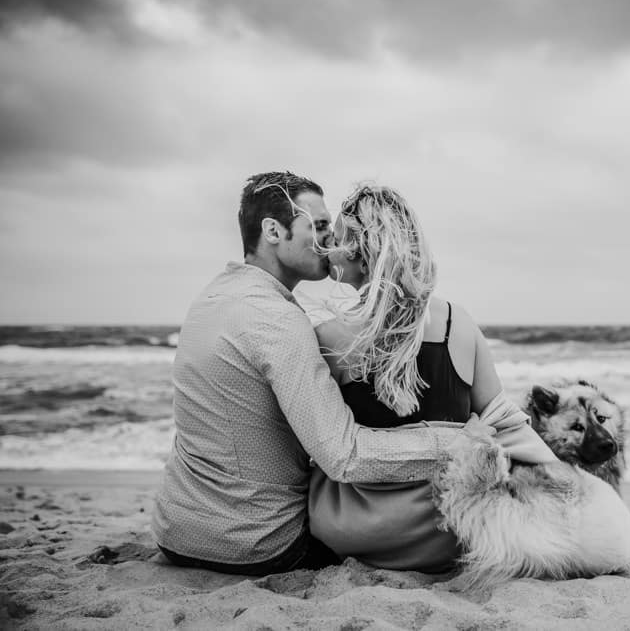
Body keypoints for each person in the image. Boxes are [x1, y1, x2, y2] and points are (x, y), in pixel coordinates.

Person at [151, 172, 492, 576]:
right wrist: (458, 442)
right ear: (273, 231)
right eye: (319, 225)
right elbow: (344, 456)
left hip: (175, 530)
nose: (329, 239)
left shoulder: (210, 299)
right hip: (257, 543)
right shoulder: (279, 322)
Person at [306, 184, 556, 572]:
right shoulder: (458, 323)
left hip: (360, 531)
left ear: (360, 252)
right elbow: (504, 422)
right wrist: (556, 476)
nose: (326, 248)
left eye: (336, 239)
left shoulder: (329, 337)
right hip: (452, 528)